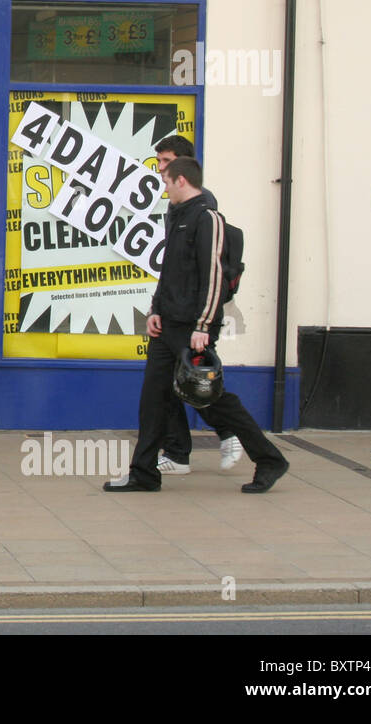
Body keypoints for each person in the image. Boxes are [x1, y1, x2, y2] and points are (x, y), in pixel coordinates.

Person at [104, 157, 289, 493]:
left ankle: (269, 458)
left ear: (182, 182)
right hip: (167, 325)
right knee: (154, 399)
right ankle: (143, 473)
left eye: (166, 181)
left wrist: (203, 325)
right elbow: (169, 271)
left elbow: (214, 276)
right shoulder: (177, 218)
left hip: (193, 328)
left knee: (211, 399)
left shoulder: (207, 219)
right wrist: (156, 309)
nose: (164, 187)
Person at [151, 135, 243, 476]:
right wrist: (158, 306)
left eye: (166, 162)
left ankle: (231, 431)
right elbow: (171, 264)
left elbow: (210, 270)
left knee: (193, 380)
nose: (160, 170)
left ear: (184, 168)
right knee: (169, 383)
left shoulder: (202, 208)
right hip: (174, 313)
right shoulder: (176, 206)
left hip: (192, 318)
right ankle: (177, 452)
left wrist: (202, 324)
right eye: (158, 162)